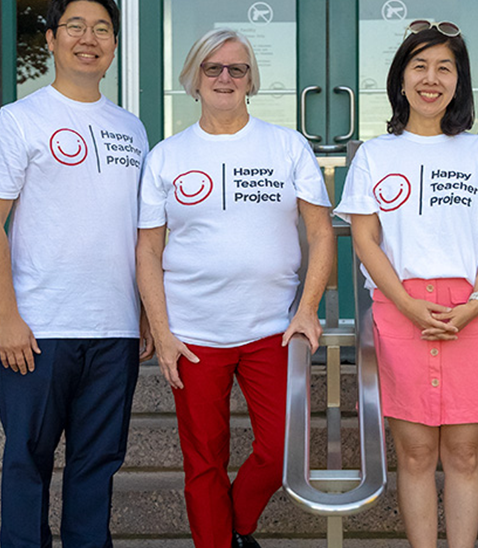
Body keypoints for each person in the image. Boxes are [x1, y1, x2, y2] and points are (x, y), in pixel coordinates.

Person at [136, 28, 334, 548]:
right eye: (213, 68)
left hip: (272, 329)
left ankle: (238, 527)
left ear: (251, 81)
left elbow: (319, 232)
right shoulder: (166, 155)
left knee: (282, 448)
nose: (225, 77)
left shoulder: (287, 145)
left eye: (237, 69)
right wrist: (162, 331)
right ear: (194, 80)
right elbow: (148, 251)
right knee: (203, 461)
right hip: (193, 335)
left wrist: (307, 309)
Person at [0, 0, 151, 547]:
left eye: (101, 29)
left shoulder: (133, 129)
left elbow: (142, 234)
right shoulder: (19, 119)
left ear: (115, 45)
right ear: (51, 39)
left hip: (114, 329)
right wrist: (7, 317)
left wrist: (146, 312)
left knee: (97, 464)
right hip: (39, 328)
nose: (87, 39)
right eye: (74, 26)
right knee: (27, 461)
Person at [335, 20, 478, 548]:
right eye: (420, 66)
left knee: (464, 454)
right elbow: (366, 240)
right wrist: (409, 306)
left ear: (459, 81)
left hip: (473, 313)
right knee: (414, 455)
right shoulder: (375, 155)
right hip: (401, 314)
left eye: (445, 67)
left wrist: (477, 303)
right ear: (400, 79)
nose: (431, 78)